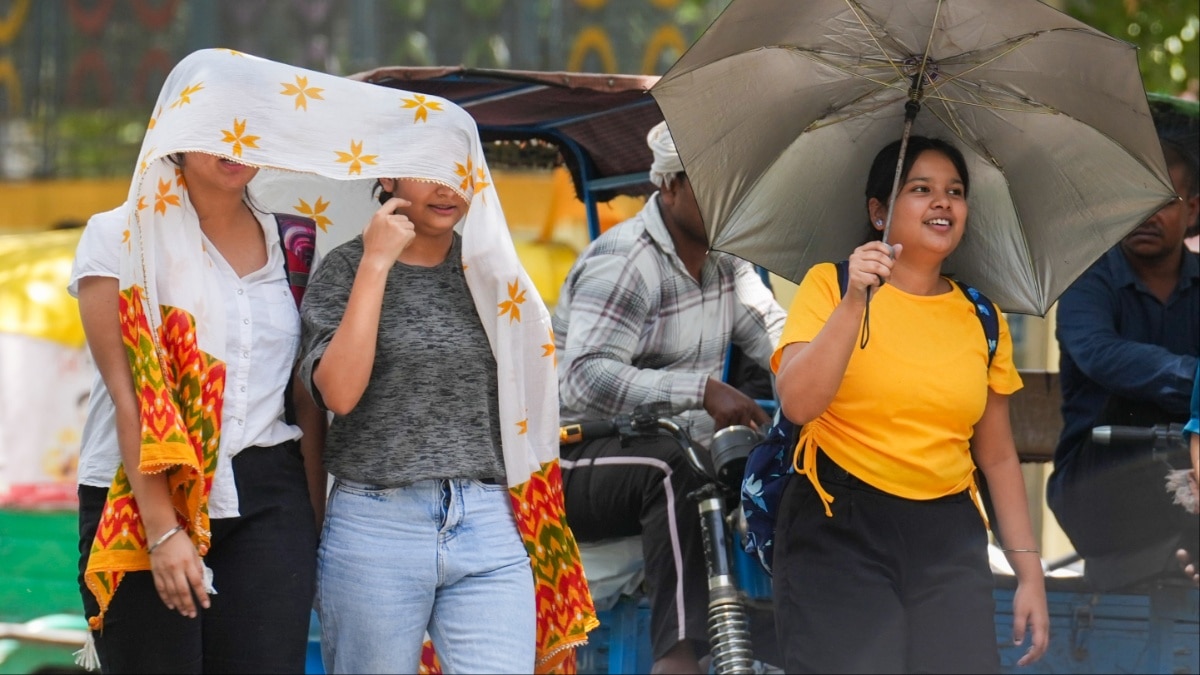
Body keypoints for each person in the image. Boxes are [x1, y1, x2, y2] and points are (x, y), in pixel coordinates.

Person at [297, 111, 595, 672]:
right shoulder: (345, 270)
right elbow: (337, 393)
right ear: (386, 178)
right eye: (426, 169)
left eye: (458, 169)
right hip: (377, 523)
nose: (446, 185)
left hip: (488, 520)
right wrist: (376, 263)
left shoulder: (492, 273)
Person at [70, 59, 326, 672]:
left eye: (251, 127)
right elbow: (132, 395)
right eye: (216, 125)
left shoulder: (298, 242)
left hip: (270, 497)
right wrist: (162, 531)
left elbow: (304, 397)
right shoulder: (119, 237)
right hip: (140, 490)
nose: (235, 143)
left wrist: (312, 523)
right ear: (175, 132)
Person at [771, 136, 1050, 673]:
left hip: (948, 538)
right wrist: (857, 298)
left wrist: (1029, 575)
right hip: (839, 521)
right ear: (878, 212)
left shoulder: (982, 316)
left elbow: (996, 458)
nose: (942, 202)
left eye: (955, 191)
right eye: (921, 189)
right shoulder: (830, 285)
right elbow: (799, 403)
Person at [553, 120, 787, 674]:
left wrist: (814, 383)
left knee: (781, 468)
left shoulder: (730, 264)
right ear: (670, 185)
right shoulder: (625, 262)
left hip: (669, 454)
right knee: (673, 467)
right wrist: (699, 391)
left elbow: (777, 338)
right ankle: (676, 657)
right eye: (709, 185)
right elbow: (582, 379)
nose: (724, 201)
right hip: (568, 459)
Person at [1046, 105, 1200, 592]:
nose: (1145, 214)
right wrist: (1197, 382)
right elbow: (1098, 354)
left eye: (1163, 200)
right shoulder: (1089, 279)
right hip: (1100, 486)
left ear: (1193, 209)